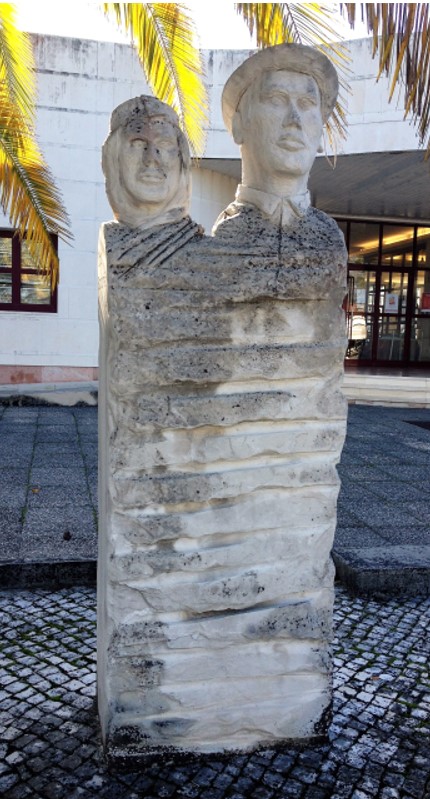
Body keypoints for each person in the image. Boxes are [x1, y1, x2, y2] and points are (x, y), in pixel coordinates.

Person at [212, 44, 341, 243]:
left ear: (321, 133)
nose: (294, 119)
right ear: (239, 126)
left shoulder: (330, 239)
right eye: (276, 100)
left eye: (307, 103)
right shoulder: (223, 236)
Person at [101, 96, 202, 268]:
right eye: (138, 144)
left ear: (182, 158)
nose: (151, 159)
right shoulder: (111, 240)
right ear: (113, 157)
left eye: (164, 145)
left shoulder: (220, 255)